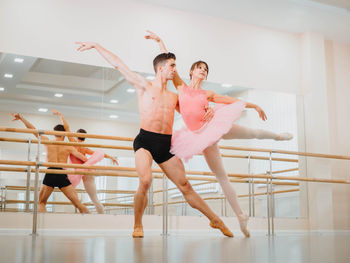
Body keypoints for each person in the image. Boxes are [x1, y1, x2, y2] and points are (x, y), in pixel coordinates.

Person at [76, 41, 233, 238]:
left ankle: (214, 219)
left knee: (185, 185)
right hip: (145, 141)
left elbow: (193, 114)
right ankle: (138, 224)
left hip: (165, 144)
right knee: (146, 180)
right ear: (161, 68)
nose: (176, 70)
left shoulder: (174, 97)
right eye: (172, 66)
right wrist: (96, 46)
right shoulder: (144, 86)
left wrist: (208, 110)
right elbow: (119, 64)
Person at [145, 31, 293, 237]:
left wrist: (255, 105)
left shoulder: (208, 94)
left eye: (205, 70)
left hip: (214, 126)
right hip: (200, 137)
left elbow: (231, 101)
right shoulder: (182, 87)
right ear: (191, 71)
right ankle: (241, 216)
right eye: (199, 68)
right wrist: (160, 42)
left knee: (251, 132)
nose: (203, 71)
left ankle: (277, 136)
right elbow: (169, 60)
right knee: (222, 177)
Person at [11, 113, 90, 213]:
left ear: (53, 133)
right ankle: (94, 224)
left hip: (51, 173)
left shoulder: (48, 142)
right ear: (65, 134)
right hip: (62, 174)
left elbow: (33, 130)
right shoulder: (68, 146)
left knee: (42, 202)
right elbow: (83, 158)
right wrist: (93, 166)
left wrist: (22, 118)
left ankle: (43, 227)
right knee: (78, 204)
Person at [52, 109, 119, 214]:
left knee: (71, 194)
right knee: (94, 198)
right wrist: (111, 157)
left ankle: (80, 211)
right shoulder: (84, 148)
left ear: (77, 135)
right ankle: (101, 215)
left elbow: (67, 128)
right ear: (85, 138)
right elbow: (97, 153)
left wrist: (61, 115)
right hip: (87, 171)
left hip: (78, 172)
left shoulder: (73, 142)